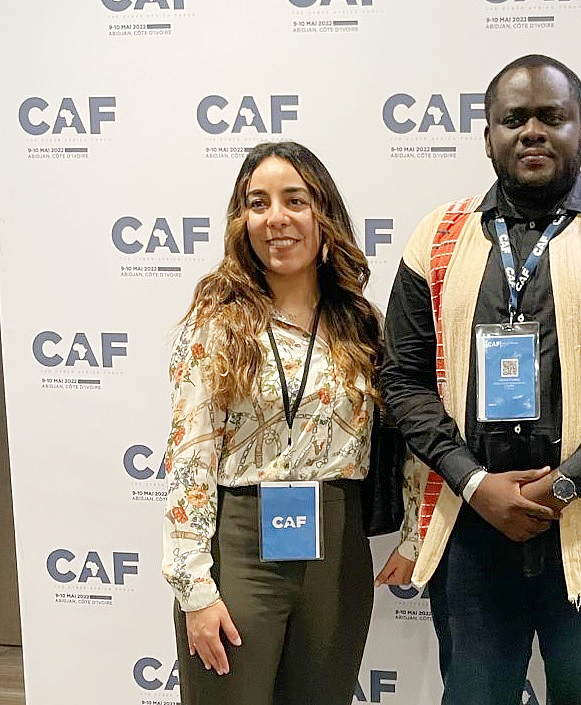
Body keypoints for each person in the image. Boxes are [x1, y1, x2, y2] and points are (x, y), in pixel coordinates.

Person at [374, 54, 581, 705]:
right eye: (512, 118)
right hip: (469, 528)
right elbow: (401, 380)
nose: (531, 132)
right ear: (486, 135)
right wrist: (472, 481)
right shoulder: (435, 238)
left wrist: (565, 480)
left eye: (551, 116)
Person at [161, 141, 387, 705]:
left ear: (324, 215)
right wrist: (195, 588)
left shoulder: (360, 325)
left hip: (335, 548)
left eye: (295, 200)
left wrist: (411, 536)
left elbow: (397, 437)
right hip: (238, 551)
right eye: (257, 203)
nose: (276, 219)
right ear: (242, 220)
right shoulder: (214, 324)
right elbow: (189, 459)